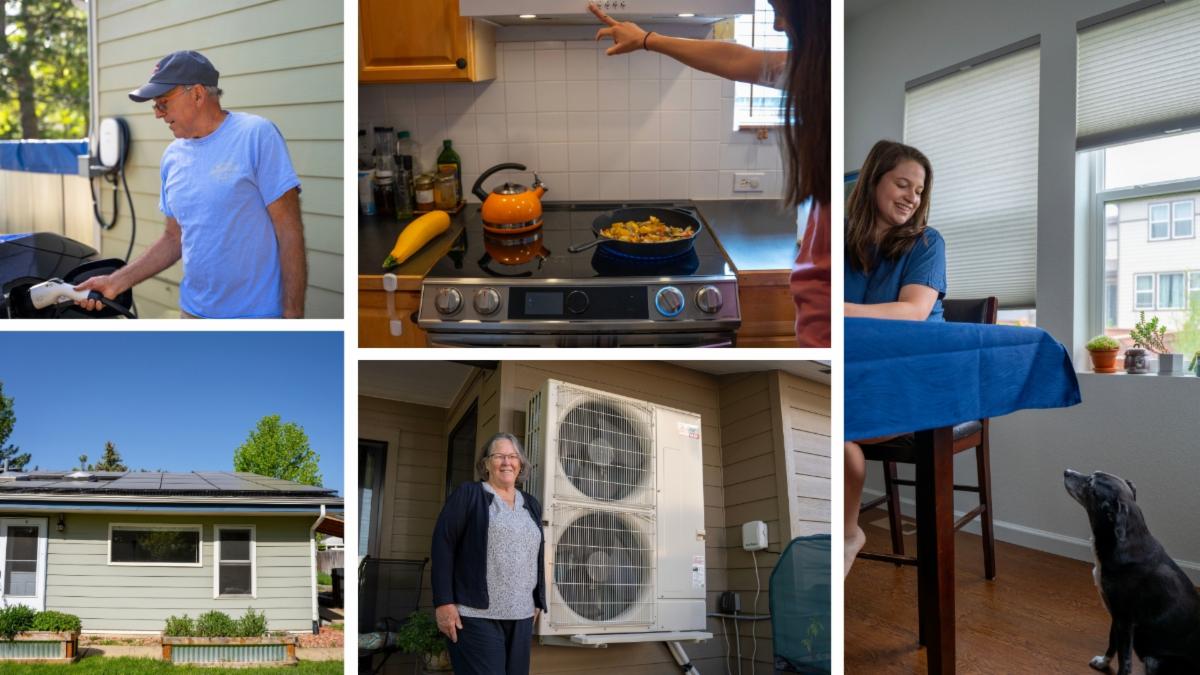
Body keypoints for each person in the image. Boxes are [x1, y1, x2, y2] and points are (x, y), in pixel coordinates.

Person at [591, 1, 830, 346]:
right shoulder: (814, 72)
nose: (777, 25)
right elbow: (739, 61)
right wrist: (647, 40)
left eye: (781, 11)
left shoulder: (825, 77)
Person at [76, 50, 307, 318]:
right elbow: (174, 238)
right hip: (193, 314)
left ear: (197, 94)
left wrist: (293, 317)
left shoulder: (256, 136)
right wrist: (115, 282)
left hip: (256, 318)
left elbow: (289, 231)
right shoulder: (172, 157)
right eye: (155, 106)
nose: (158, 114)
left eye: (163, 103)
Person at [842, 139, 943, 575]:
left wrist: (838, 311)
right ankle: (846, 531)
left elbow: (913, 312)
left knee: (835, 431)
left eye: (918, 191)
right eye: (902, 184)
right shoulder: (842, 242)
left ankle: (847, 533)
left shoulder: (927, 243)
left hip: (915, 382)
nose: (911, 197)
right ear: (873, 181)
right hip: (858, 376)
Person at [431, 433, 546, 675]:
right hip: (475, 616)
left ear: (521, 464)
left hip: (521, 616)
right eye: (499, 456)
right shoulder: (469, 495)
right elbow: (443, 545)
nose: (507, 462)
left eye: (513, 456)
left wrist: (537, 600)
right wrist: (443, 603)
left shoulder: (531, 504)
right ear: (486, 464)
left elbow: (534, 553)